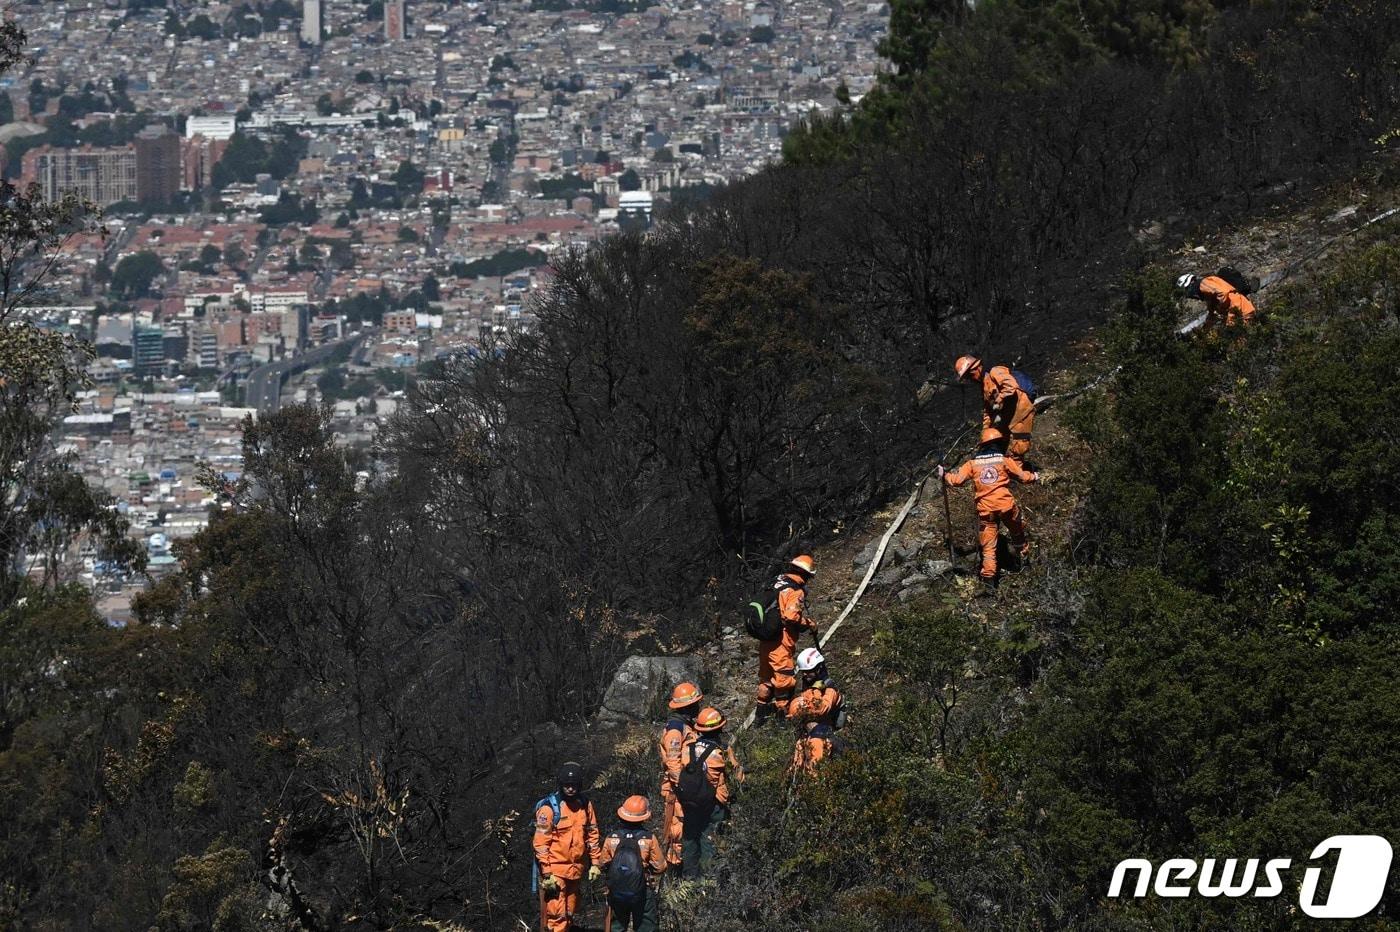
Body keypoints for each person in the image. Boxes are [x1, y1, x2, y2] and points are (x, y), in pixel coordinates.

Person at [939, 429, 1040, 589]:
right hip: (1006, 506)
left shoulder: (972, 464)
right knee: (1017, 534)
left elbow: (956, 481)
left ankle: (989, 584)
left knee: (988, 548)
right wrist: (1035, 476)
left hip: (987, 512)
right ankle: (1026, 564)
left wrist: (944, 475)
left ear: (982, 445)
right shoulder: (1004, 460)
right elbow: (1023, 477)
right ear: (998, 444)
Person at [532, 761, 604, 932]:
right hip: (555, 870)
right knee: (557, 915)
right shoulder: (549, 809)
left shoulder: (585, 805)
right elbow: (540, 842)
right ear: (561, 784)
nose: (570, 789)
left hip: (577, 868)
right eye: (567, 785)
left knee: (571, 910)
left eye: (574, 785)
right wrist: (547, 872)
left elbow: (592, 834)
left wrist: (595, 863)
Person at [676, 707, 744, 879]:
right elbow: (737, 777)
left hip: (689, 802)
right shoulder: (721, 752)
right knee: (710, 840)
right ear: (719, 728)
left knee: (690, 839)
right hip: (713, 804)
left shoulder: (687, 749)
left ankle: (688, 880)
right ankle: (708, 881)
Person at [755, 555, 818, 726]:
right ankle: (781, 722)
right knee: (783, 681)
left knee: (766, 679)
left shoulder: (776, 583)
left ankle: (759, 718)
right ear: (806, 575)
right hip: (780, 642)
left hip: (766, 638)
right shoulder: (794, 590)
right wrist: (808, 624)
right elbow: (791, 617)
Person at [597, 795, 667, 932]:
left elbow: (602, 863)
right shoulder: (649, 838)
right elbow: (660, 866)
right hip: (643, 890)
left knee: (616, 926)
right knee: (646, 926)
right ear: (644, 817)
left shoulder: (612, 838)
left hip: (616, 889)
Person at [954, 355, 1037, 464]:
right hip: (1007, 414)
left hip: (1021, 409)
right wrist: (985, 430)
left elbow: (1011, 386)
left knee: (1020, 445)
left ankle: (1018, 473)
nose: (970, 379)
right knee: (998, 441)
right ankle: (1001, 470)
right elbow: (988, 411)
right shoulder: (984, 385)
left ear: (975, 368)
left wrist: (999, 399)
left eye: (969, 376)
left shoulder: (995, 372)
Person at [657, 682, 703, 869]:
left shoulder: (686, 726)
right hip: (678, 791)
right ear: (688, 706)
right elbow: (673, 762)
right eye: (696, 704)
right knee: (677, 830)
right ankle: (676, 872)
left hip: (687, 786)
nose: (699, 707)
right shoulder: (675, 729)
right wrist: (685, 787)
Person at [787, 647, 846, 776]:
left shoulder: (830, 689)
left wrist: (819, 690)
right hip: (811, 735)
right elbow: (801, 709)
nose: (805, 675)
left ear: (819, 669)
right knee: (796, 766)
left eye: (808, 672)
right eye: (803, 672)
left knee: (815, 769)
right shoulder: (810, 689)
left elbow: (821, 709)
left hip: (828, 736)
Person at [1177, 272, 1256, 330]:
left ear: (1190, 284)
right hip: (1238, 313)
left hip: (1240, 310)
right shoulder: (1208, 295)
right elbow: (1212, 314)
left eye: (1187, 290)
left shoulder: (1203, 284)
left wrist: (1221, 308)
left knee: (1241, 340)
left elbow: (1223, 293)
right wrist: (1205, 330)